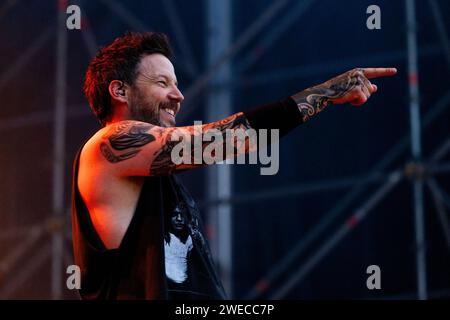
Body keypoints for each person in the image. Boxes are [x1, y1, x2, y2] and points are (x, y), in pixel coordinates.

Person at [71, 31, 397, 300]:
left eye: (177, 83)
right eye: (162, 83)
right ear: (119, 90)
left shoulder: (153, 179)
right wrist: (326, 93)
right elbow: (223, 140)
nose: (179, 95)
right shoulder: (107, 145)